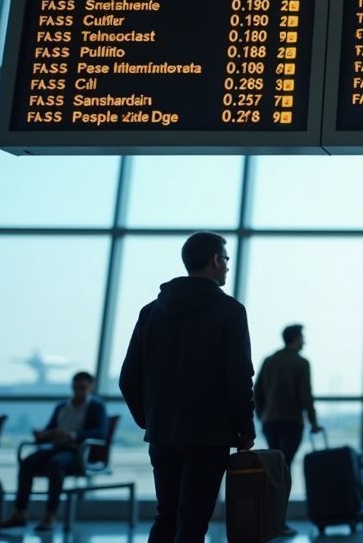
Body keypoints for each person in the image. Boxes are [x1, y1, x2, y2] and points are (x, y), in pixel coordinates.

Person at [120, 231, 256, 542]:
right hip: (209, 435)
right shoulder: (230, 311)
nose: (227, 266)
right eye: (226, 259)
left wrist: (150, 418)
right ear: (214, 260)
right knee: (193, 521)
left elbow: (129, 377)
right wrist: (244, 426)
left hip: (163, 432)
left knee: (165, 515)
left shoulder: (151, 311)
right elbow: (238, 376)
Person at [0, 371, 109, 531]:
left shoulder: (97, 407)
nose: (80, 391)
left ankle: (49, 515)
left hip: (76, 452)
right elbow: (50, 428)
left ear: (91, 387)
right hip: (56, 447)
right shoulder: (62, 406)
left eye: (83, 387)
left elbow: (100, 433)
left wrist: (73, 435)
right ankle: (19, 513)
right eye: (77, 387)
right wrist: (43, 434)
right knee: (28, 462)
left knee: (55, 464)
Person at [255, 323, 323, 467]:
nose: (304, 341)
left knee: (273, 463)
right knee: (285, 464)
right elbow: (306, 395)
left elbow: (257, 392)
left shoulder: (269, 360)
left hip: (270, 421)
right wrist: (313, 422)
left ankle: (272, 489)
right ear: (296, 339)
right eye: (302, 338)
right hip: (291, 420)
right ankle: (281, 490)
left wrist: (262, 416)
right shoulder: (302, 363)